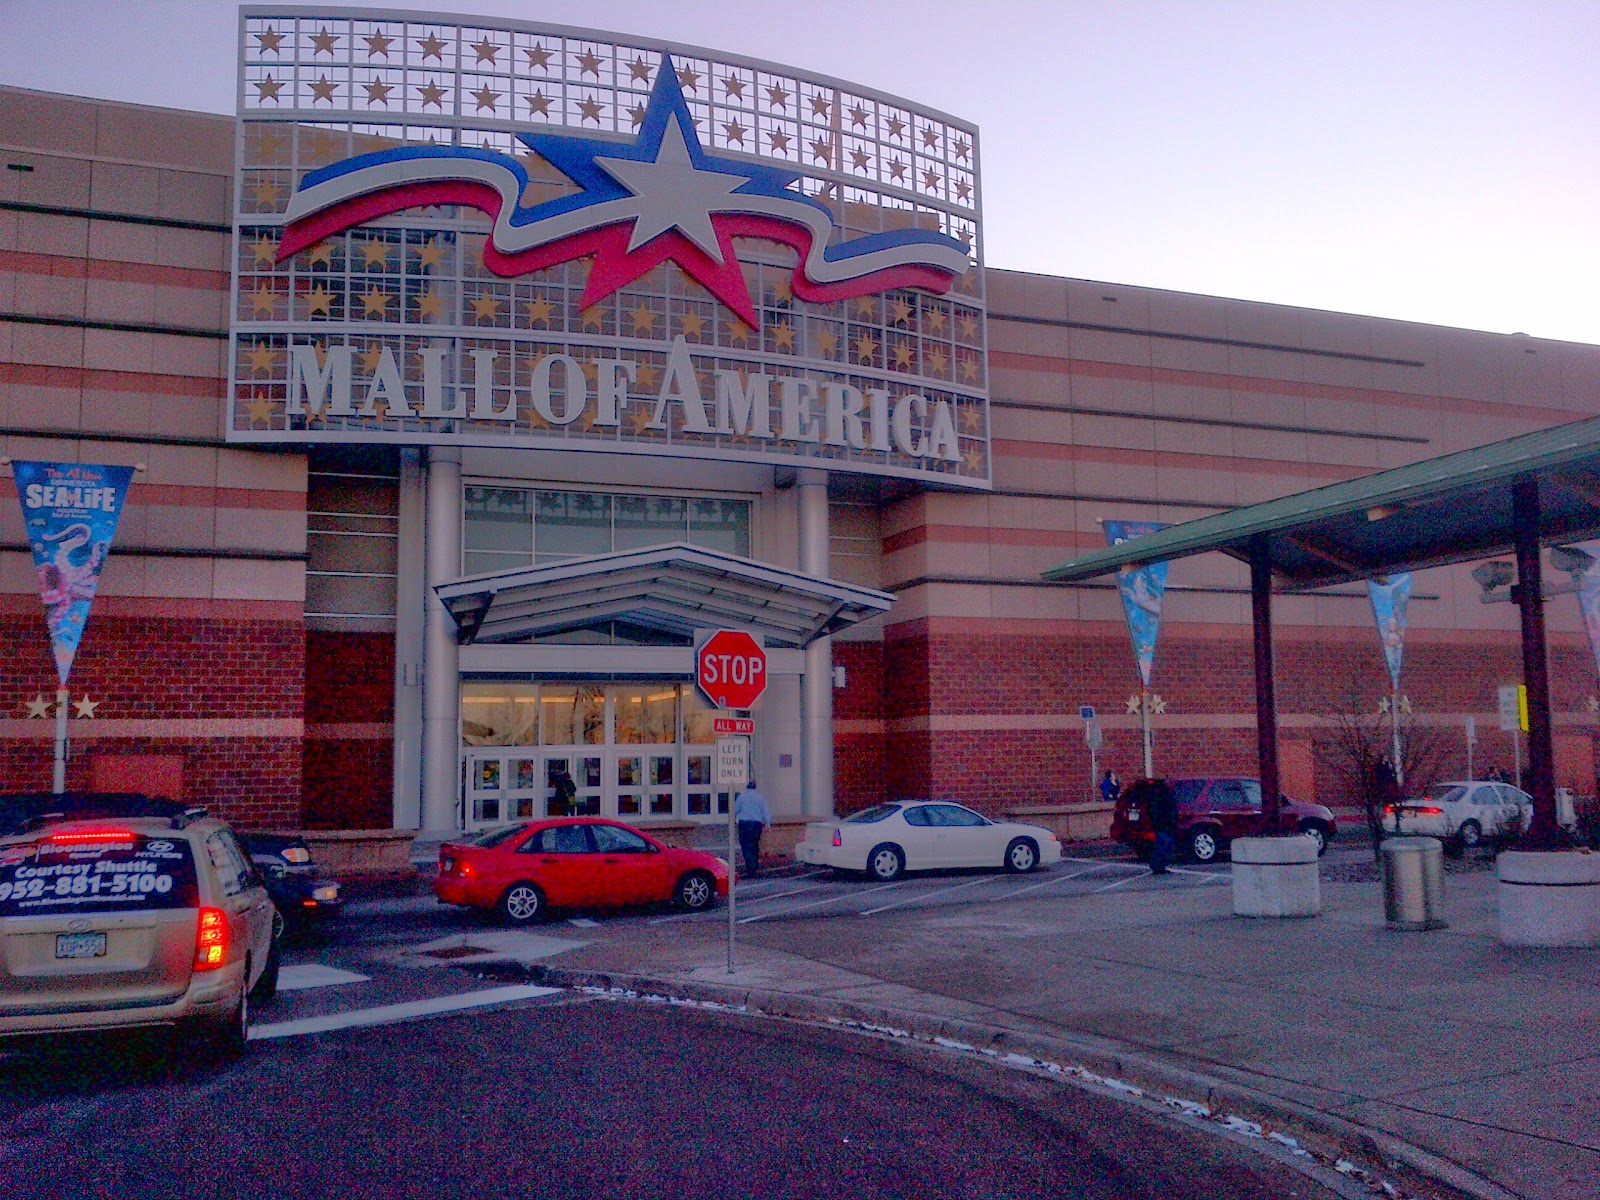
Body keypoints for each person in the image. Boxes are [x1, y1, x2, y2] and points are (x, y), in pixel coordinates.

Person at [733, 778, 771, 877]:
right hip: (756, 825)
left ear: (747, 786)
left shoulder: (742, 797)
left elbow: (735, 810)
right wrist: (767, 824)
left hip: (744, 824)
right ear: (755, 786)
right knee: (755, 845)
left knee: (745, 846)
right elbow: (765, 811)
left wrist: (732, 821)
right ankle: (754, 865)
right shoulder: (760, 797)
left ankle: (750, 866)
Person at [1145, 777, 1178, 875]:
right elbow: (1168, 810)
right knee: (1164, 846)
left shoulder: (1154, 796)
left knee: (1163, 846)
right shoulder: (1161, 796)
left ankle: (1159, 866)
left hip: (1161, 825)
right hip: (1163, 825)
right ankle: (1158, 866)